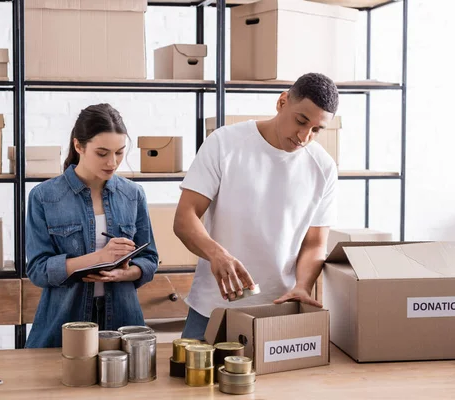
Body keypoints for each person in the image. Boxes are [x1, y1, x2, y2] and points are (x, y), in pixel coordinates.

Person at [174, 72, 340, 340]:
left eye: (316, 130)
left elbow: (315, 243)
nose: (304, 136)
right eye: (301, 120)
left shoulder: (323, 167)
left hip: (279, 308)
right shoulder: (224, 143)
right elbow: (185, 217)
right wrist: (217, 254)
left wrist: (303, 286)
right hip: (213, 308)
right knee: (192, 380)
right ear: (282, 102)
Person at [25, 103, 158, 348]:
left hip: (123, 324)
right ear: (79, 146)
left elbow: (150, 259)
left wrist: (125, 273)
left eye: (119, 152)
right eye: (102, 153)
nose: (113, 162)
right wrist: (99, 257)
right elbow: (37, 270)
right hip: (64, 325)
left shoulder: (133, 194)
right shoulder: (44, 196)